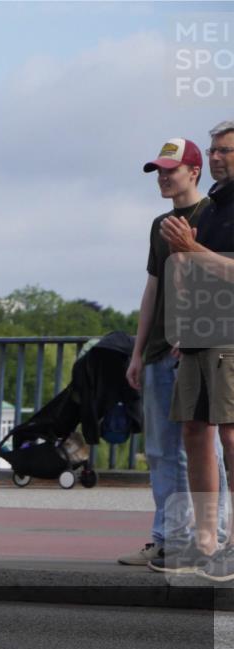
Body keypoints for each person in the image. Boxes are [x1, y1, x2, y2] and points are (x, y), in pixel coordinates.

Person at [122, 138, 229, 567]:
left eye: (171, 170)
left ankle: (215, 535)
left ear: (194, 171)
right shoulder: (161, 224)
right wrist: (137, 350)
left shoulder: (213, 213)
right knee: (162, 450)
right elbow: (153, 287)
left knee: (206, 445)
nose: (163, 178)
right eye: (159, 172)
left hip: (198, 344)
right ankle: (168, 536)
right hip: (158, 350)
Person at [159, 120, 234, 582]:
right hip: (198, 335)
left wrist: (191, 246)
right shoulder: (212, 205)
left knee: (231, 436)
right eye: (213, 150)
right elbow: (187, 269)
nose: (216, 157)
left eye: (225, 150)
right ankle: (207, 540)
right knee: (194, 431)